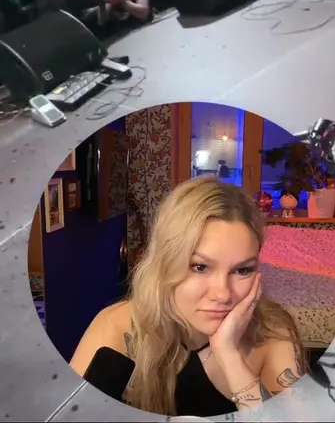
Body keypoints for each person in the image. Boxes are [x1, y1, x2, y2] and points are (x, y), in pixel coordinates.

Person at [68, 176, 307, 417]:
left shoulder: (273, 331)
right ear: (165, 264)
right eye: (200, 267)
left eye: (242, 270)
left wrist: (230, 356)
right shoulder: (117, 326)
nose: (223, 294)